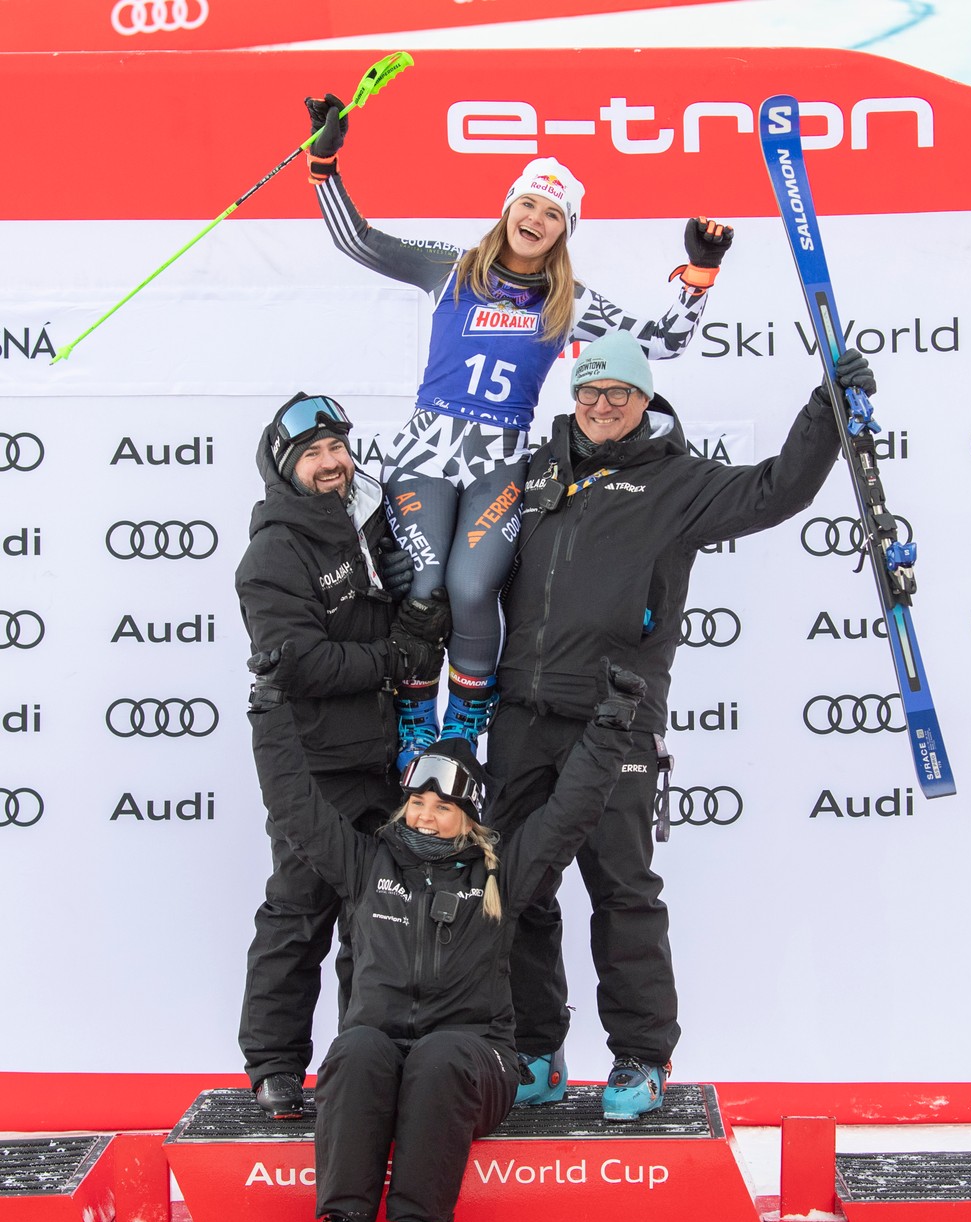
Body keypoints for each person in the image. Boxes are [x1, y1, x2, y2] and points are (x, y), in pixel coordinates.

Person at [488, 329, 877, 1120]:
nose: (601, 407)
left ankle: (639, 1058)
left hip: (615, 718)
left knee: (622, 890)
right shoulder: (533, 475)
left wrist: (825, 411)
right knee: (515, 886)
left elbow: (777, 492)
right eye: (590, 393)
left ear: (643, 400)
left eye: (618, 395)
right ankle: (535, 1047)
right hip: (522, 714)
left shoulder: (678, 482)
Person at [303, 90, 734, 766]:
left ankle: (467, 718)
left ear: (564, 229)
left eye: (553, 212)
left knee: (475, 590)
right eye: (528, 203)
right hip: (428, 449)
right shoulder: (451, 268)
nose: (536, 218)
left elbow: (662, 344)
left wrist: (698, 275)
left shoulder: (568, 300)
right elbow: (358, 239)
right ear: (509, 208)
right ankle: (417, 717)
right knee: (424, 584)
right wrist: (325, 163)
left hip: (499, 458)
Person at [246, 641, 646, 1222]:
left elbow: (571, 812)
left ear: (469, 816)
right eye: (420, 803)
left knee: (440, 1056)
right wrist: (268, 709)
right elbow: (295, 804)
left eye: (446, 808)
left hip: (475, 1057)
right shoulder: (366, 863)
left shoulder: (501, 874)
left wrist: (611, 723)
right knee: (354, 1050)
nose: (428, 818)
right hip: (383, 1047)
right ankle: (343, 1220)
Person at [235, 391, 449, 1119]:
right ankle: (273, 1066)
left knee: (376, 925)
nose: (331, 464)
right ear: (286, 467)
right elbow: (296, 661)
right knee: (298, 914)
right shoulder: (273, 552)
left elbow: (392, 612)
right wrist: (393, 656)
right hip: (315, 771)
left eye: (337, 449)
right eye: (313, 455)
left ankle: (365, 1062)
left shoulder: (363, 521)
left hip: (380, 764)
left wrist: (421, 618)